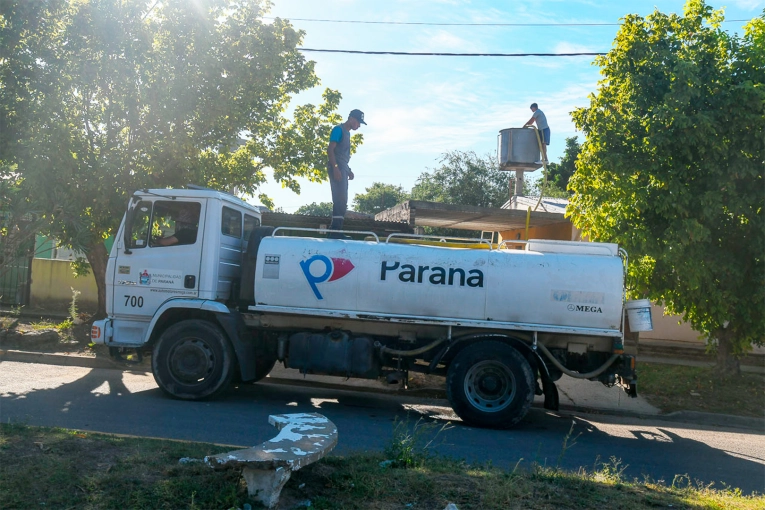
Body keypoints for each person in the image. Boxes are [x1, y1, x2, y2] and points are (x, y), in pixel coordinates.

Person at [327, 109, 366, 238]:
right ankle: (335, 231)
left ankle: (337, 229)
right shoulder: (338, 129)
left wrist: (348, 171)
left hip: (343, 168)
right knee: (339, 199)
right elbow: (330, 150)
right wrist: (336, 168)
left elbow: (342, 155)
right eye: (358, 122)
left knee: (343, 199)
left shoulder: (348, 134)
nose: (358, 126)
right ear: (351, 119)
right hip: (336, 168)